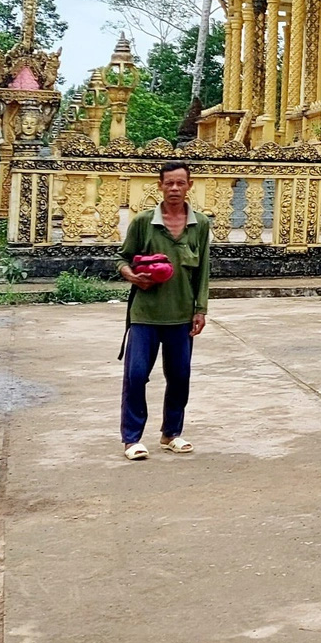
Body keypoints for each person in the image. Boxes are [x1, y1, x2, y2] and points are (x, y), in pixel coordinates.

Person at [115, 161, 211, 460]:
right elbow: (121, 260)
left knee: (180, 375)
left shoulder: (200, 224)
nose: (174, 188)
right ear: (159, 185)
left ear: (189, 186)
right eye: (168, 183)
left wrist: (200, 309)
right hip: (145, 314)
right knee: (137, 374)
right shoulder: (144, 222)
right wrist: (132, 276)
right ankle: (132, 439)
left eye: (180, 183)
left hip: (181, 315)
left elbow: (203, 270)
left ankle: (171, 433)